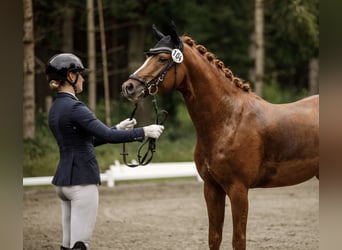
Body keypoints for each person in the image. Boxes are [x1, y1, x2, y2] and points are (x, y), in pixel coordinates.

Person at [45, 53, 164, 250]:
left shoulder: (56, 108)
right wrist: (143, 131)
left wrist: (118, 128)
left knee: (67, 245)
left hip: (63, 182)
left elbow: (87, 140)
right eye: (80, 75)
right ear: (71, 76)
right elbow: (107, 136)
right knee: (80, 245)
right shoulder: (76, 107)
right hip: (82, 182)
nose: (83, 79)